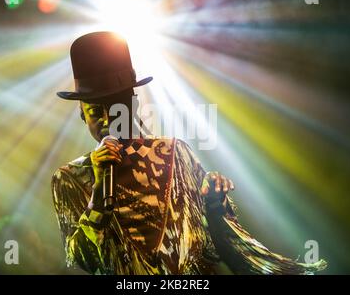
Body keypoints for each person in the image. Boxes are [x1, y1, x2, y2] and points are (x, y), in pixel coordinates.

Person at [52, 31, 327, 274]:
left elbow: (211, 245)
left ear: (133, 105)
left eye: (114, 108)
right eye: (93, 112)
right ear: (81, 114)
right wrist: (99, 196)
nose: (105, 120)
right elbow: (82, 259)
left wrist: (214, 204)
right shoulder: (71, 178)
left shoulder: (176, 154)